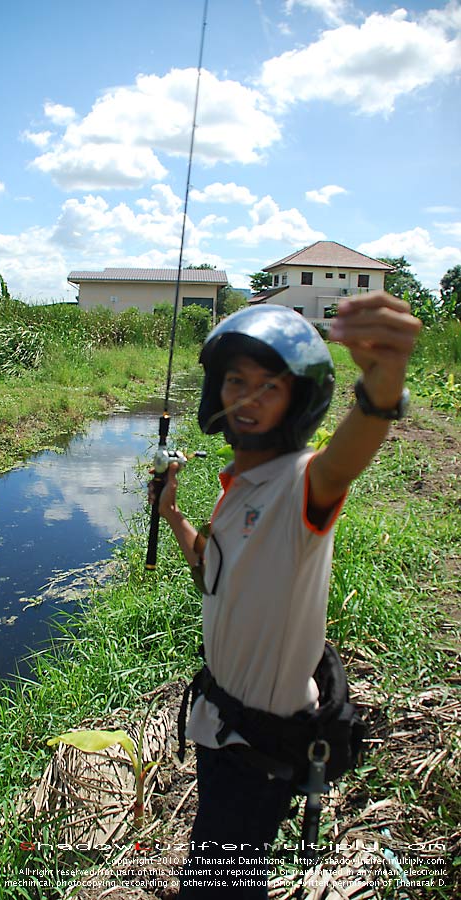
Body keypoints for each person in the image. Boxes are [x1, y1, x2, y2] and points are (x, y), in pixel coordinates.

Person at [148, 293, 421, 897]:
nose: (246, 398)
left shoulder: (301, 483)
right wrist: (173, 517)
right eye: (235, 380)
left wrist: (383, 381)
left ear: (297, 400)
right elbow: (211, 571)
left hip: (260, 745)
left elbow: (342, 462)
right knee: (213, 863)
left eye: (269, 387)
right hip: (220, 725)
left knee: (220, 885)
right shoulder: (241, 484)